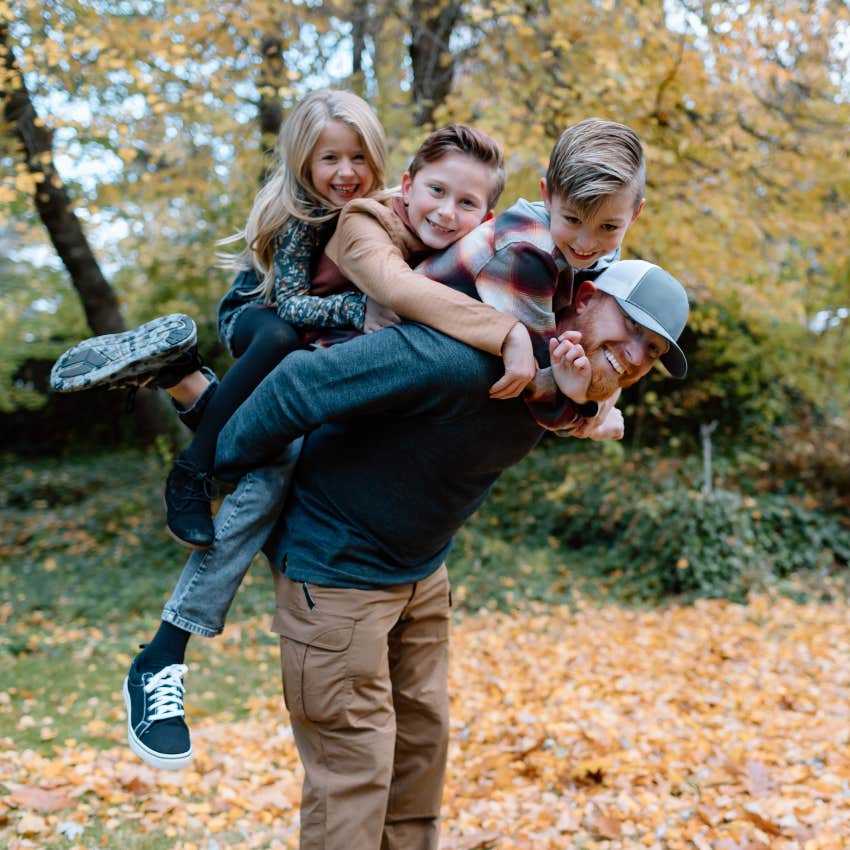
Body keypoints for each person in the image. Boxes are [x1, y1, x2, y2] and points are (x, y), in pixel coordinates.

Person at [210, 258, 690, 850]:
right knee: (353, 782)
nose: (636, 356)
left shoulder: (561, 385)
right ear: (585, 297)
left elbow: (588, 402)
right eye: (632, 328)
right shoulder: (462, 355)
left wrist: (594, 407)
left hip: (421, 574)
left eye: (653, 350)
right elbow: (299, 384)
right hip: (335, 576)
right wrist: (209, 474)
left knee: (418, 761)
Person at [50, 88, 388, 550]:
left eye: (358, 157)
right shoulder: (301, 217)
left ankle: (178, 374)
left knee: (262, 432)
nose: (346, 172)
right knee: (281, 336)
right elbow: (290, 305)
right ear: (305, 161)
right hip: (255, 313)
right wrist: (357, 310)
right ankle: (191, 472)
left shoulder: (379, 213)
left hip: (309, 328)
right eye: (330, 158)